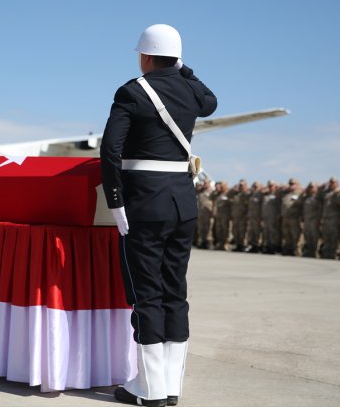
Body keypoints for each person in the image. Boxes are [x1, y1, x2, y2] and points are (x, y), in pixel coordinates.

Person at [100, 24, 217, 407]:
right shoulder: (190, 91)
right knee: (175, 293)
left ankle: (149, 390)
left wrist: (115, 201)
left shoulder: (132, 91)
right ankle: (170, 386)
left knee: (147, 294)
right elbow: (211, 101)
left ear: (145, 56)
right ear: (176, 57)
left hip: (144, 204)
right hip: (182, 203)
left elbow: (110, 150)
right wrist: (185, 69)